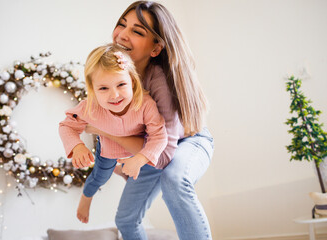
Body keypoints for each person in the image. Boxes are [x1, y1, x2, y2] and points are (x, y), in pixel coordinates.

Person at [84, 1, 215, 239]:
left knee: (174, 180)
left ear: (155, 48)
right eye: (122, 25)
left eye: (137, 31)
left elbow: (164, 155)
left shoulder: (159, 81)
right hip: (153, 149)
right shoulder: (114, 82)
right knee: (125, 219)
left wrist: (114, 136)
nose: (122, 35)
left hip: (188, 141)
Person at [59, 43, 168, 224]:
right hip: (108, 149)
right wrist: (77, 146)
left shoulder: (145, 104)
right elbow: (66, 126)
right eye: (103, 88)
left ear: (132, 81)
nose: (115, 95)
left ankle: (122, 167)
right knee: (100, 177)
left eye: (121, 84)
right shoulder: (90, 107)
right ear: (93, 89)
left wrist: (139, 159)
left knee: (152, 172)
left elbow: (160, 136)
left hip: (137, 150)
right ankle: (87, 197)